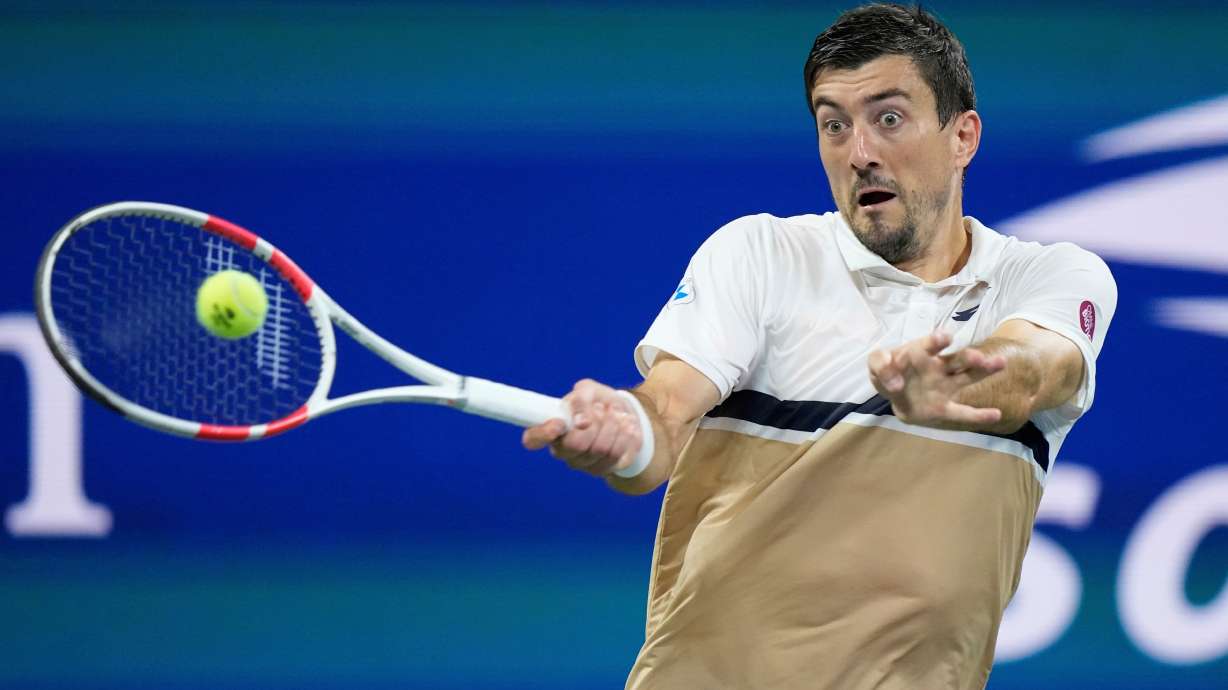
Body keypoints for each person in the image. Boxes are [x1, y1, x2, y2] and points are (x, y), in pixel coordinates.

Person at [523, 3, 1116, 688]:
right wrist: (625, 434)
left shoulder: (1048, 276)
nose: (859, 151)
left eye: (888, 119)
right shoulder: (762, 254)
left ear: (963, 136)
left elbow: (1038, 370)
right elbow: (663, 420)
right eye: (834, 124)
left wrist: (955, 387)